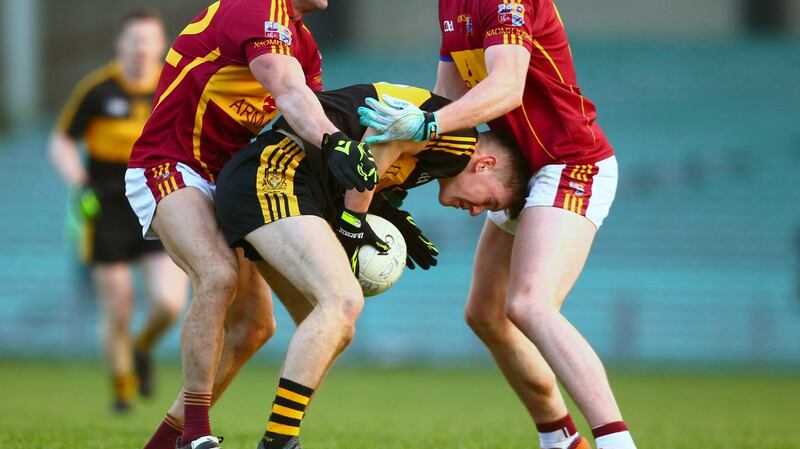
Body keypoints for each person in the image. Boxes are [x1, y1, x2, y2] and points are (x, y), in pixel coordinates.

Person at [358, 1, 635, 448]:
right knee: (485, 314)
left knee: (530, 305)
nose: (464, 210)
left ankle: (617, 443)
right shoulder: (451, 6)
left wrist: (425, 126)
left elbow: (506, 88)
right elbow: (444, 101)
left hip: (569, 161)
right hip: (520, 166)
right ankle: (562, 441)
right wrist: (390, 178)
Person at [212, 81, 530, 449]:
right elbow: (383, 134)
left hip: (291, 185)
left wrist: (383, 209)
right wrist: (352, 222)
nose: (476, 212)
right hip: (276, 170)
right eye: (489, 202)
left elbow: (361, 165)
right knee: (341, 303)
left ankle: (176, 432)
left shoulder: (426, 165)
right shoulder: (460, 138)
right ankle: (279, 442)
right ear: (486, 165)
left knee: (328, 326)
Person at [124, 2, 380, 449]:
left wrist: (352, 199)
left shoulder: (305, 44)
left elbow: (306, 121)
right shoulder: (254, 7)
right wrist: (336, 143)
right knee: (218, 275)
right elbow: (287, 90)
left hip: (228, 180)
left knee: (256, 326)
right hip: (171, 163)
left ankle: (164, 444)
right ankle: (195, 436)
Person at [49, 9, 188, 413]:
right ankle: (122, 387)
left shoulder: (172, 84)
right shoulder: (97, 89)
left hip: (157, 197)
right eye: (134, 39)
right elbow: (60, 141)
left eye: (149, 40)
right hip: (106, 204)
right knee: (120, 303)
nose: (142, 48)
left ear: (161, 45)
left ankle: (142, 348)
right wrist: (79, 184)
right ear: (120, 44)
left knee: (168, 303)